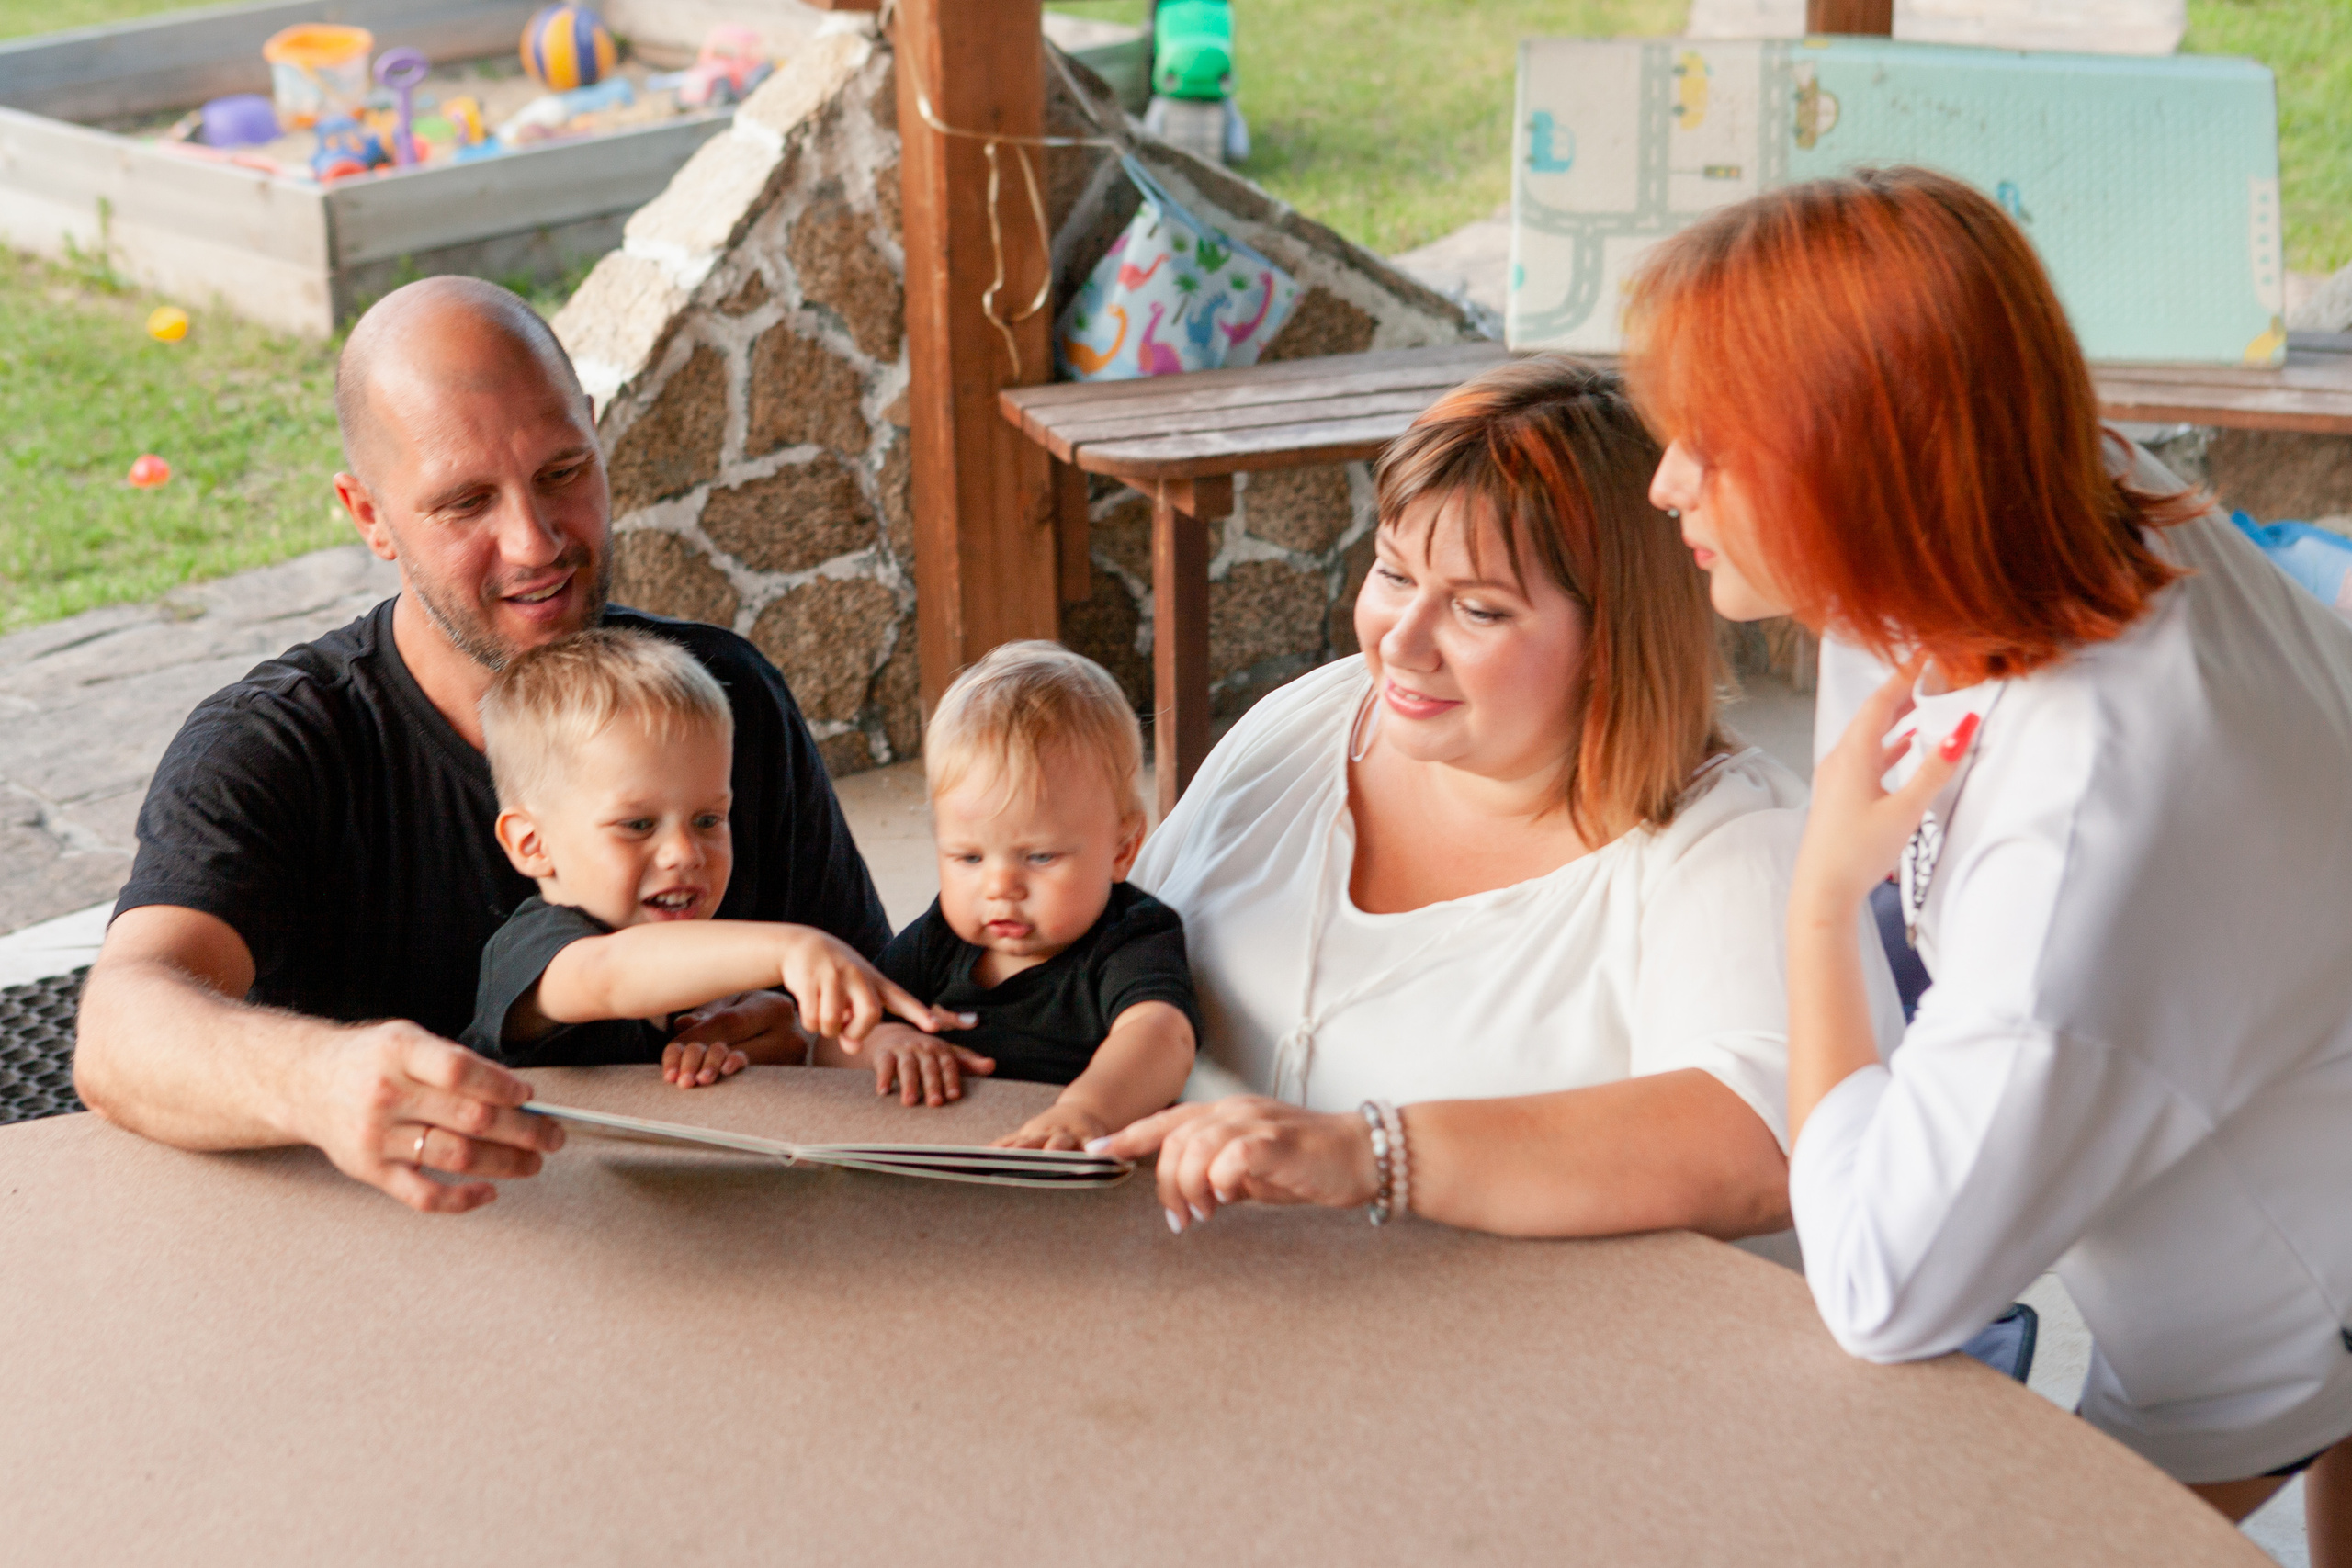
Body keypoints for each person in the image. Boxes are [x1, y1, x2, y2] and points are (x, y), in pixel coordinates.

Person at [1630, 164, 2352, 1547]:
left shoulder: (2079, 849)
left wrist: (1818, 899)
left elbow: (1879, 1284)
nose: (1666, 484)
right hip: (2276, 1040)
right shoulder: (2037, 490)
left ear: (1859, 461)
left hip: (2291, 1261)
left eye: (1712, 448)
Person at [74, 277, 889, 1215]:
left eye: (563, 472)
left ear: (596, 435)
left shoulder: (720, 695)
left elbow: (884, 1001)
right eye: (466, 502)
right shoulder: (277, 745)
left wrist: (813, 1039)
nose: (534, 543)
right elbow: (121, 1032)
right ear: (369, 514)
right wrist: (323, 1079)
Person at [1097, 355, 1900, 1239]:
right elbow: (1113, 941)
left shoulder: (1735, 842)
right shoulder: (1308, 723)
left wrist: (1373, 1151)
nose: (1401, 644)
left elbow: (1760, 1148)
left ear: (1615, 638)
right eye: (1394, 574)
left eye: (1477, 609)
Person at [462, 629, 961, 1081]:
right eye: (638, 825)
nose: (684, 853)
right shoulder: (533, 953)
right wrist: (790, 948)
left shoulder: (707, 975)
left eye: (707, 820)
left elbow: (807, 1042)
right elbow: (609, 976)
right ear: (532, 843)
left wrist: (881, 1045)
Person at [846, 641, 1201, 1152]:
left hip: (1065, 1165)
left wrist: (1086, 1113)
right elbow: (836, 1038)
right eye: (969, 858)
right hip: (937, 1154)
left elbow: (1162, 1037)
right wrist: (885, 1041)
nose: (999, 887)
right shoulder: (940, 938)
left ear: (1122, 849)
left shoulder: (1130, 936)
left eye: (1039, 857)